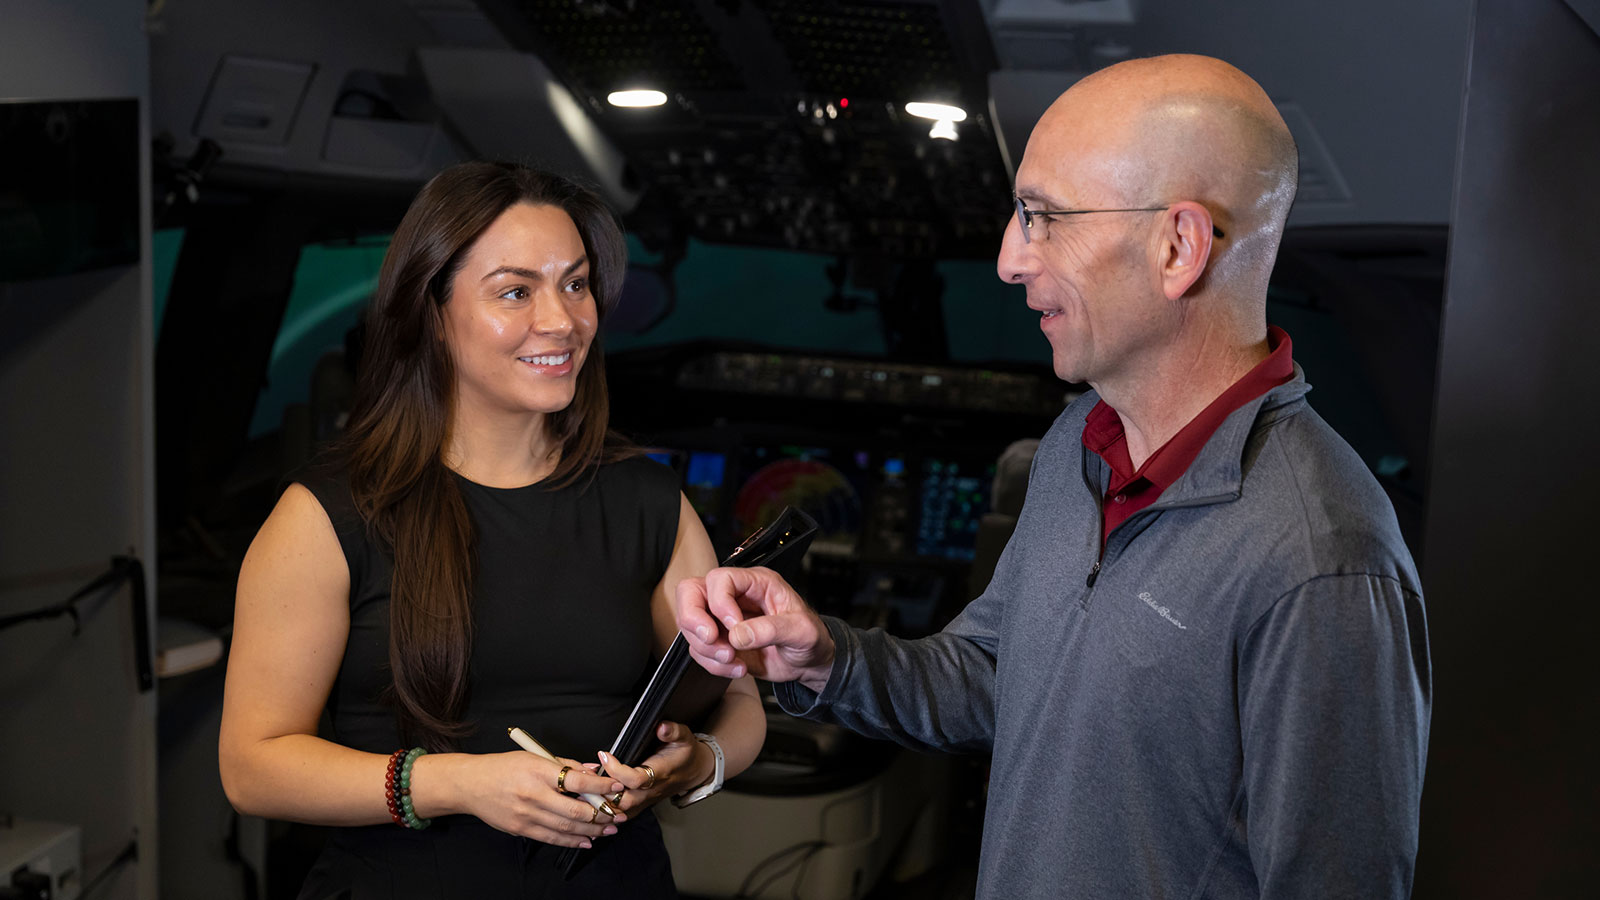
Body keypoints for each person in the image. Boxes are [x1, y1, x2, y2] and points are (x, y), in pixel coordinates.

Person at [677, 54, 1430, 899]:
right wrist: (821, 657)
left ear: (1178, 246)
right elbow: (999, 677)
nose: (1007, 259)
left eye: (1043, 217)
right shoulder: (1080, 442)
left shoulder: (1322, 560)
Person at [219, 161, 765, 899]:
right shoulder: (328, 516)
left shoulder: (647, 500)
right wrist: (457, 784)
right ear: (431, 313)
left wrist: (699, 764)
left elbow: (737, 702)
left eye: (575, 284)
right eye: (516, 292)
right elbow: (253, 768)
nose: (563, 320)